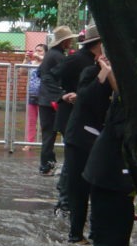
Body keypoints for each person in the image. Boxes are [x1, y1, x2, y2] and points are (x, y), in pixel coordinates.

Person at [85, 87, 136, 246]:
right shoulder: (129, 96)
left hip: (121, 176)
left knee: (122, 230)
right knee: (107, 233)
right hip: (108, 172)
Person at [63, 49, 115, 244]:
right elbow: (85, 97)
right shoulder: (90, 73)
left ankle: (96, 232)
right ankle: (75, 234)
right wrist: (103, 72)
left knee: (99, 187)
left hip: (103, 139)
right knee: (79, 188)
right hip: (80, 139)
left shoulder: (118, 79)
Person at [51, 24, 105, 210]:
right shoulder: (77, 60)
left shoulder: (100, 62)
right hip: (71, 118)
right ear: (99, 44)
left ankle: (70, 195)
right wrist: (62, 96)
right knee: (72, 161)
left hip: (90, 119)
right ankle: (64, 202)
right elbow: (48, 75)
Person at [36, 26, 76, 176]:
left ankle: (47, 165)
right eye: (69, 39)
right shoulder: (58, 56)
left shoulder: (50, 55)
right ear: (64, 41)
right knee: (65, 133)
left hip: (45, 99)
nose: (71, 41)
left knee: (49, 134)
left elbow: (40, 73)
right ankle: (49, 166)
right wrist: (61, 93)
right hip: (53, 101)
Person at [23, 43, 46, 148]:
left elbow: (48, 66)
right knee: (31, 121)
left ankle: (45, 143)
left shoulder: (47, 63)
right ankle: (29, 143)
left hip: (44, 96)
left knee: (44, 122)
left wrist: (40, 58)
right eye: (36, 50)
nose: (37, 52)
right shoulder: (32, 63)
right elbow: (22, 72)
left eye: (40, 50)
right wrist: (26, 59)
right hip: (32, 95)